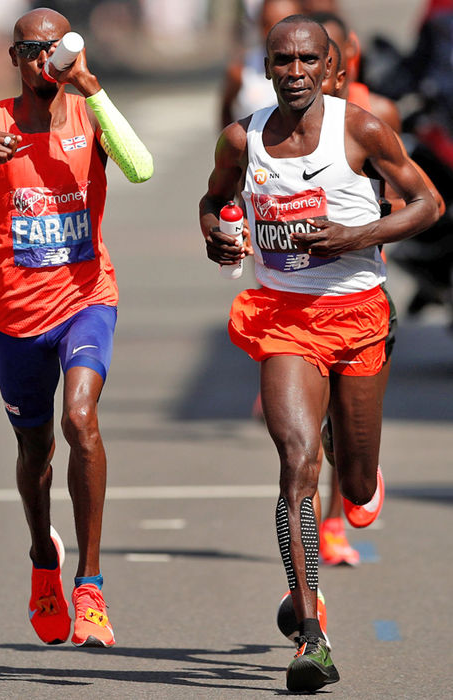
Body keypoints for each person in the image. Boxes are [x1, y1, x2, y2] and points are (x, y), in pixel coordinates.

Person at [199, 14, 439, 692]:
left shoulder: (359, 128)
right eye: (283, 60)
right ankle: (312, 634)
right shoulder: (243, 138)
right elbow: (213, 204)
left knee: (355, 488)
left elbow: (430, 203)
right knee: (296, 466)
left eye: (308, 60)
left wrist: (354, 234)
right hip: (284, 319)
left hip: (360, 315)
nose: (295, 72)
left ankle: (353, 460)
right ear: (267, 65)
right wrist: (219, 235)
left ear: (329, 67)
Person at [0, 7, 153, 648]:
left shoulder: (87, 112)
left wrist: (94, 90)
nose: (48, 61)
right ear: (15, 57)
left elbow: (141, 167)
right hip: (17, 319)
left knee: (80, 419)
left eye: (58, 48)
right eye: (34, 50)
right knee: (34, 453)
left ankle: (90, 586)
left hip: (87, 299)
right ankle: (44, 556)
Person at [221, 0, 301, 129]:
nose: (275, 32)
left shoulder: (311, 68)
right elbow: (226, 111)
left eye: (285, 24)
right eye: (267, 24)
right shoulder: (241, 70)